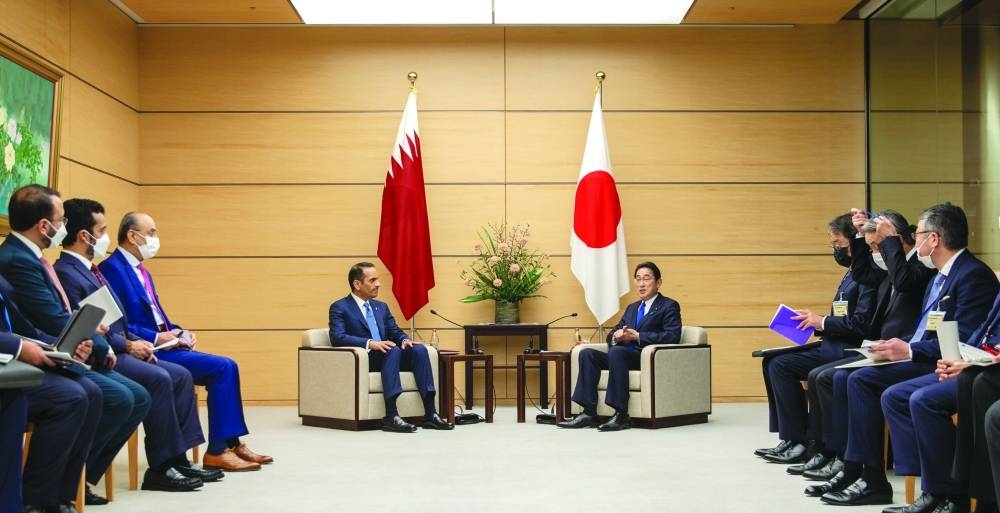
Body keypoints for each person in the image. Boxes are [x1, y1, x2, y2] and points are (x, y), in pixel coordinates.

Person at [814, 203, 998, 507]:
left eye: (920, 234)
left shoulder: (970, 275)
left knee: (894, 393)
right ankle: (885, 477)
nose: (916, 239)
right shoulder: (941, 275)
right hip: (929, 355)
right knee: (857, 379)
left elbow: (964, 338)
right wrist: (900, 344)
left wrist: (910, 349)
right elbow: (928, 327)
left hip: (946, 362)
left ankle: (941, 489)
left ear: (934, 239)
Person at [0, 184, 147, 510]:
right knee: (83, 396)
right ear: (43, 225)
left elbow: (36, 322)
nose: (63, 228)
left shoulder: (32, 257)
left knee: (102, 395)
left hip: (39, 350)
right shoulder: (16, 259)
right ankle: (41, 497)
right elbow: (47, 318)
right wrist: (89, 344)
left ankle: (65, 491)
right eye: (61, 220)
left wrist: (68, 345)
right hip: (18, 360)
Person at [56, 198, 217, 491]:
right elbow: (88, 327)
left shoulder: (90, 269)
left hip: (119, 342)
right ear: (84, 235)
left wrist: (136, 339)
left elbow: (116, 319)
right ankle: (160, 466)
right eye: (102, 229)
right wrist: (128, 345)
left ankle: (176, 458)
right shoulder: (69, 272)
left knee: (179, 375)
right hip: (104, 350)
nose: (106, 237)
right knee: (160, 378)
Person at [98, 212, 271, 471]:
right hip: (146, 349)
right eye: (152, 233)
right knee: (223, 367)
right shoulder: (111, 269)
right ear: (133, 236)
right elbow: (118, 324)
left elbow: (159, 317)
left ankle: (231, 444)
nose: (156, 239)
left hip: (166, 344)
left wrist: (179, 332)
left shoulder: (142, 271)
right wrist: (158, 337)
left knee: (228, 366)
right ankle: (217, 451)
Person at [801, 210, 926, 482]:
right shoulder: (887, 270)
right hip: (881, 347)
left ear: (900, 238)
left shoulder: (917, 266)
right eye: (870, 247)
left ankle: (856, 465)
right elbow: (862, 273)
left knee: (846, 378)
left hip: (907, 351)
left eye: (876, 246)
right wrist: (859, 238)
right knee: (827, 377)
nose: (874, 253)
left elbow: (905, 282)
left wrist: (888, 241)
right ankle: (842, 458)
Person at [755, 214, 876, 464]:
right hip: (832, 342)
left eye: (838, 244)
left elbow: (861, 325)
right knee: (772, 362)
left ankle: (806, 441)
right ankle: (791, 437)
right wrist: (814, 323)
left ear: (855, 242)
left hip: (848, 349)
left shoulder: (868, 275)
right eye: (832, 245)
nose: (835, 250)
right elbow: (842, 316)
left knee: (785, 367)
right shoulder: (851, 272)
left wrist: (821, 322)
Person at [328, 262, 453, 433]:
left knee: (419, 350)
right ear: (357, 284)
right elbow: (337, 337)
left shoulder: (381, 307)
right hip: (365, 359)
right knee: (391, 350)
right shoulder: (340, 307)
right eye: (372, 280)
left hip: (389, 356)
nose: (378, 284)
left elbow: (395, 331)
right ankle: (391, 415)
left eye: (377, 280)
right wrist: (371, 343)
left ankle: (430, 414)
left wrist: (405, 340)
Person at [558, 261, 681, 431]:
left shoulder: (668, 306)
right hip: (621, 356)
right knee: (587, 354)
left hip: (645, 358)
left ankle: (621, 414)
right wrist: (617, 337)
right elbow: (612, 334)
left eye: (646, 279)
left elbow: (672, 335)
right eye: (638, 279)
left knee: (617, 353)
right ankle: (588, 413)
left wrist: (639, 336)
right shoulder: (632, 308)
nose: (641, 284)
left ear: (658, 283)